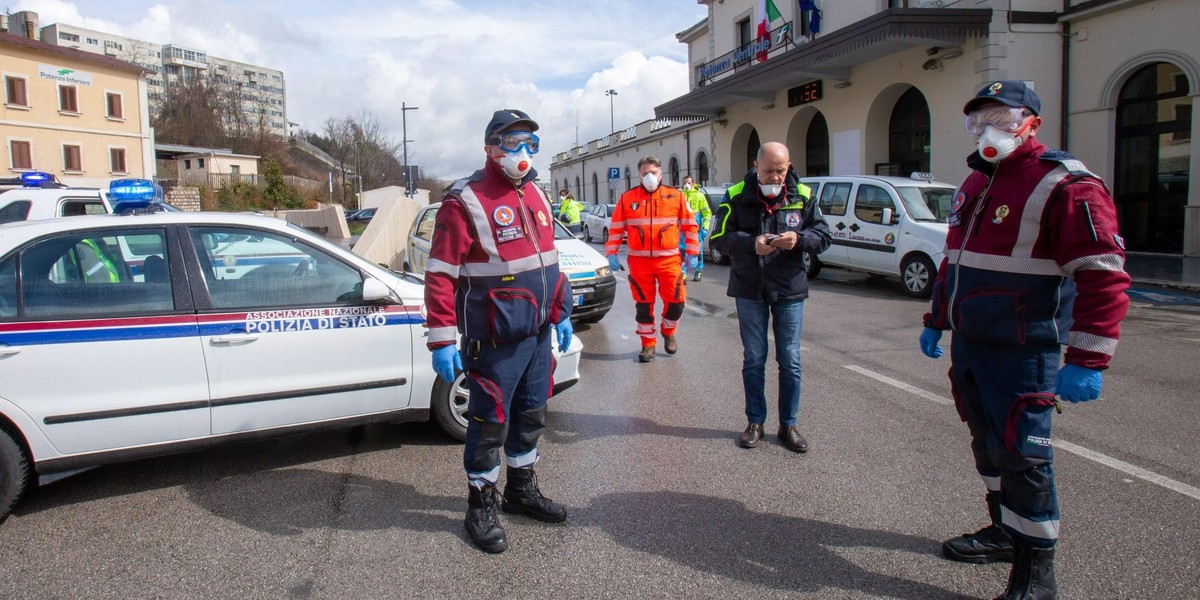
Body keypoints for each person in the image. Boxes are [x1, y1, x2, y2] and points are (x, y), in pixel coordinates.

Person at [919, 81, 1130, 599]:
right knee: (988, 448)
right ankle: (1004, 534)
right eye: (977, 120)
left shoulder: (1066, 184)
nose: (988, 130)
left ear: (1031, 123)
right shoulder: (975, 182)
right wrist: (936, 318)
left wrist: (1088, 359)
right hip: (972, 345)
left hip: (1023, 352)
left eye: (1002, 118)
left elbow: (1103, 275)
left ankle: (1037, 577)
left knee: (1024, 458)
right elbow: (955, 260)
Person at [424, 109, 575, 554]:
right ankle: (481, 504)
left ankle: (520, 491)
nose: (524, 152)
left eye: (531, 143)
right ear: (491, 148)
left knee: (531, 416)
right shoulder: (464, 200)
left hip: (536, 335)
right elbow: (439, 275)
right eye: (513, 143)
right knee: (490, 424)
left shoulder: (537, 196)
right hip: (493, 342)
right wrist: (440, 337)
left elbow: (549, 264)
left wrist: (561, 311)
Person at [710, 142, 830, 453]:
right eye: (768, 171)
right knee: (754, 358)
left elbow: (823, 236)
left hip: (789, 288)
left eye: (780, 170)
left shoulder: (802, 194)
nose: (775, 177)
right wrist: (753, 244)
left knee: (790, 359)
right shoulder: (736, 193)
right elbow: (719, 238)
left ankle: (788, 425)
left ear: (788, 167)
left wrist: (799, 239)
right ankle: (755, 422)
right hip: (749, 289)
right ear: (756, 165)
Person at [605, 156, 699, 363]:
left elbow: (690, 225)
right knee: (644, 306)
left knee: (676, 302)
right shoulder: (627, 198)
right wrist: (611, 252)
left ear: (661, 173)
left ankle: (668, 329)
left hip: (669, 261)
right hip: (639, 263)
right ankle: (648, 345)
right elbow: (616, 228)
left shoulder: (675, 196)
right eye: (645, 173)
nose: (649, 176)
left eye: (653, 172)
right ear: (639, 175)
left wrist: (693, 251)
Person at [679, 175, 713, 281]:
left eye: (689, 182)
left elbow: (707, 214)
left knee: (698, 252)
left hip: (696, 231)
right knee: (682, 251)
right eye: (684, 182)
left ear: (693, 183)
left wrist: (705, 229)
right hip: (682, 231)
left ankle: (698, 271)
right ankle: (683, 272)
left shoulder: (699, 196)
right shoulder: (679, 196)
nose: (686, 185)